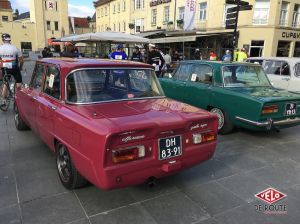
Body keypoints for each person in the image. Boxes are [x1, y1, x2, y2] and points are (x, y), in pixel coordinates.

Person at [0, 33, 23, 105]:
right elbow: (21, 60)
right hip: (14, 67)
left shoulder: (0, 48)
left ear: (3, 39)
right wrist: (21, 67)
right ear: (10, 39)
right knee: (19, 83)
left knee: (6, 83)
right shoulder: (15, 48)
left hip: (4, 67)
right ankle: (18, 98)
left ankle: (3, 100)